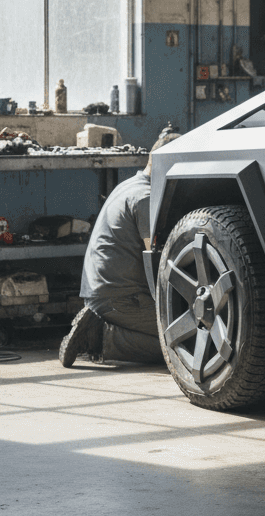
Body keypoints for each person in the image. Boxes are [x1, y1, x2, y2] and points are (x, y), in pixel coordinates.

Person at [58, 127, 182, 367]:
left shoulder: (128, 186)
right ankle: (98, 338)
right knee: (185, 341)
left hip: (101, 294)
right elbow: (155, 263)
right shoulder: (145, 198)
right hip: (120, 299)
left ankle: (97, 329)